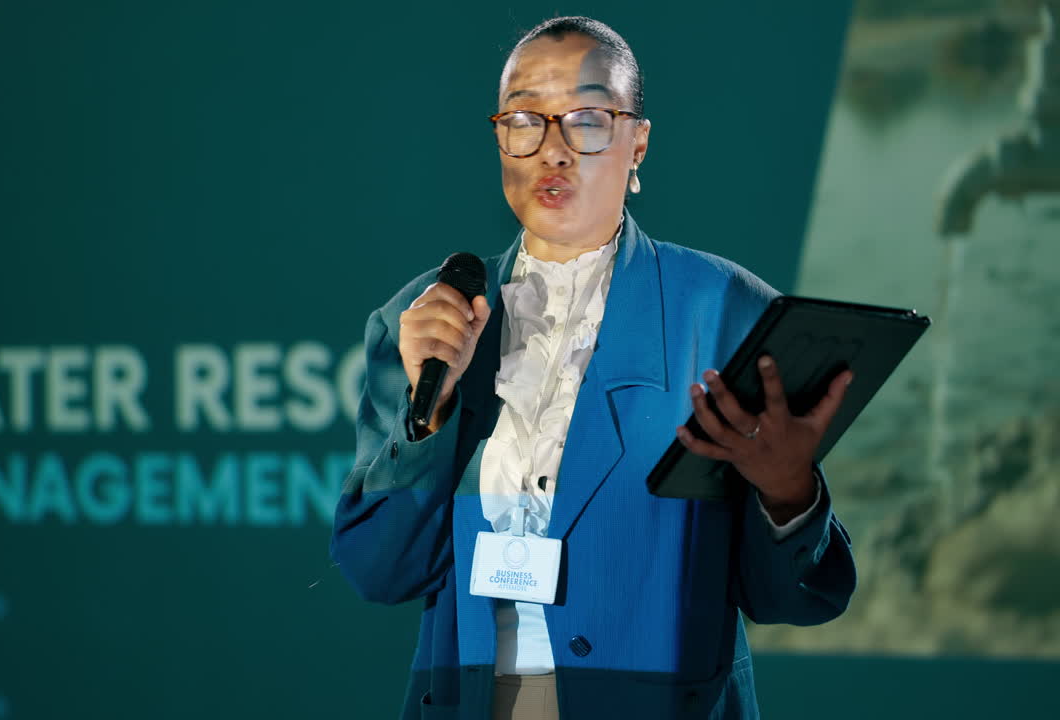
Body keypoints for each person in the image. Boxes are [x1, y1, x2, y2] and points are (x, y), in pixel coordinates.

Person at [330, 16, 856, 720]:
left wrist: (789, 494)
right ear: (499, 139)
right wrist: (432, 420)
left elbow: (796, 597)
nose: (552, 149)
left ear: (638, 142)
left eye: (587, 119)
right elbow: (379, 572)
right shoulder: (428, 319)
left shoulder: (726, 312)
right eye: (525, 120)